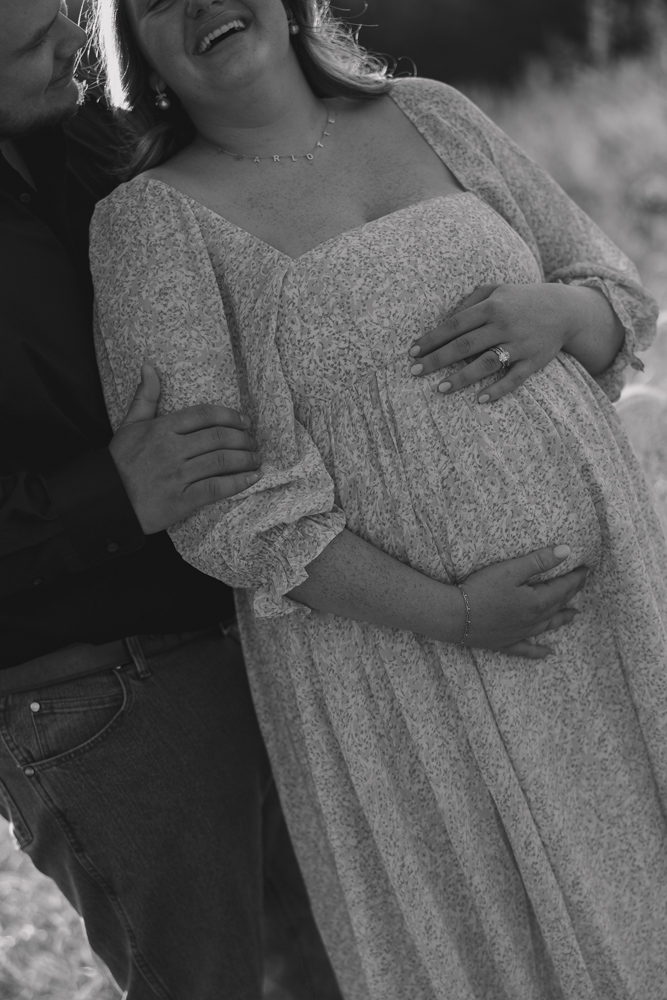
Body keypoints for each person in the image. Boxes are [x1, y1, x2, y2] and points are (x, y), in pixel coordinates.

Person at [89, 0, 667, 997]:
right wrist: (453, 613)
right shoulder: (149, 225)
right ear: (134, 51)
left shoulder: (429, 113)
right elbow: (222, 508)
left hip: (614, 604)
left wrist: (557, 310)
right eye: (157, 1)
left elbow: (613, 298)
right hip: (407, 660)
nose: (202, 4)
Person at [0, 2, 346, 997]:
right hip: (93, 689)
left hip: (252, 630)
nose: (75, 42)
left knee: (344, 970)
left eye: (63, 15)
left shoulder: (88, 139)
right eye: (34, 42)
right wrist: (111, 493)